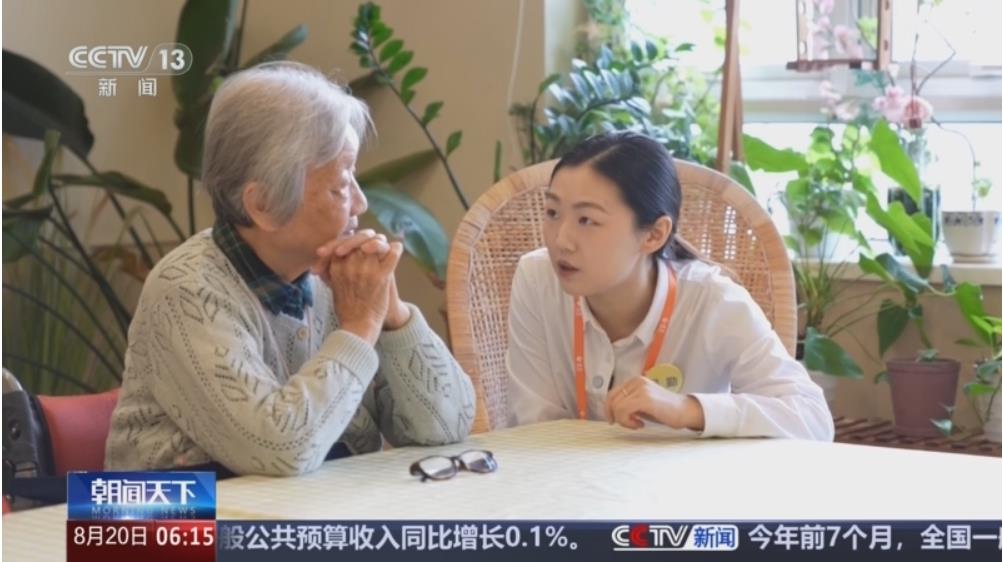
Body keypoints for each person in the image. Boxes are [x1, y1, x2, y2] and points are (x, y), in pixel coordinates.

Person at [105, 62, 475, 476]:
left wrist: (392, 318)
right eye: (340, 186)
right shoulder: (187, 289)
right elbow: (279, 451)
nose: (361, 203)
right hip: (171, 511)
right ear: (262, 204)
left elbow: (447, 428)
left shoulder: (341, 281)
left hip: (310, 507)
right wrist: (358, 329)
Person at [506, 132, 833, 440]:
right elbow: (533, 427)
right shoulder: (537, 278)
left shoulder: (713, 300)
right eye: (552, 213)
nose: (561, 240)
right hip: (562, 477)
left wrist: (688, 409)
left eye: (587, 220)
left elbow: (813, 419)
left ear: (654, 235)